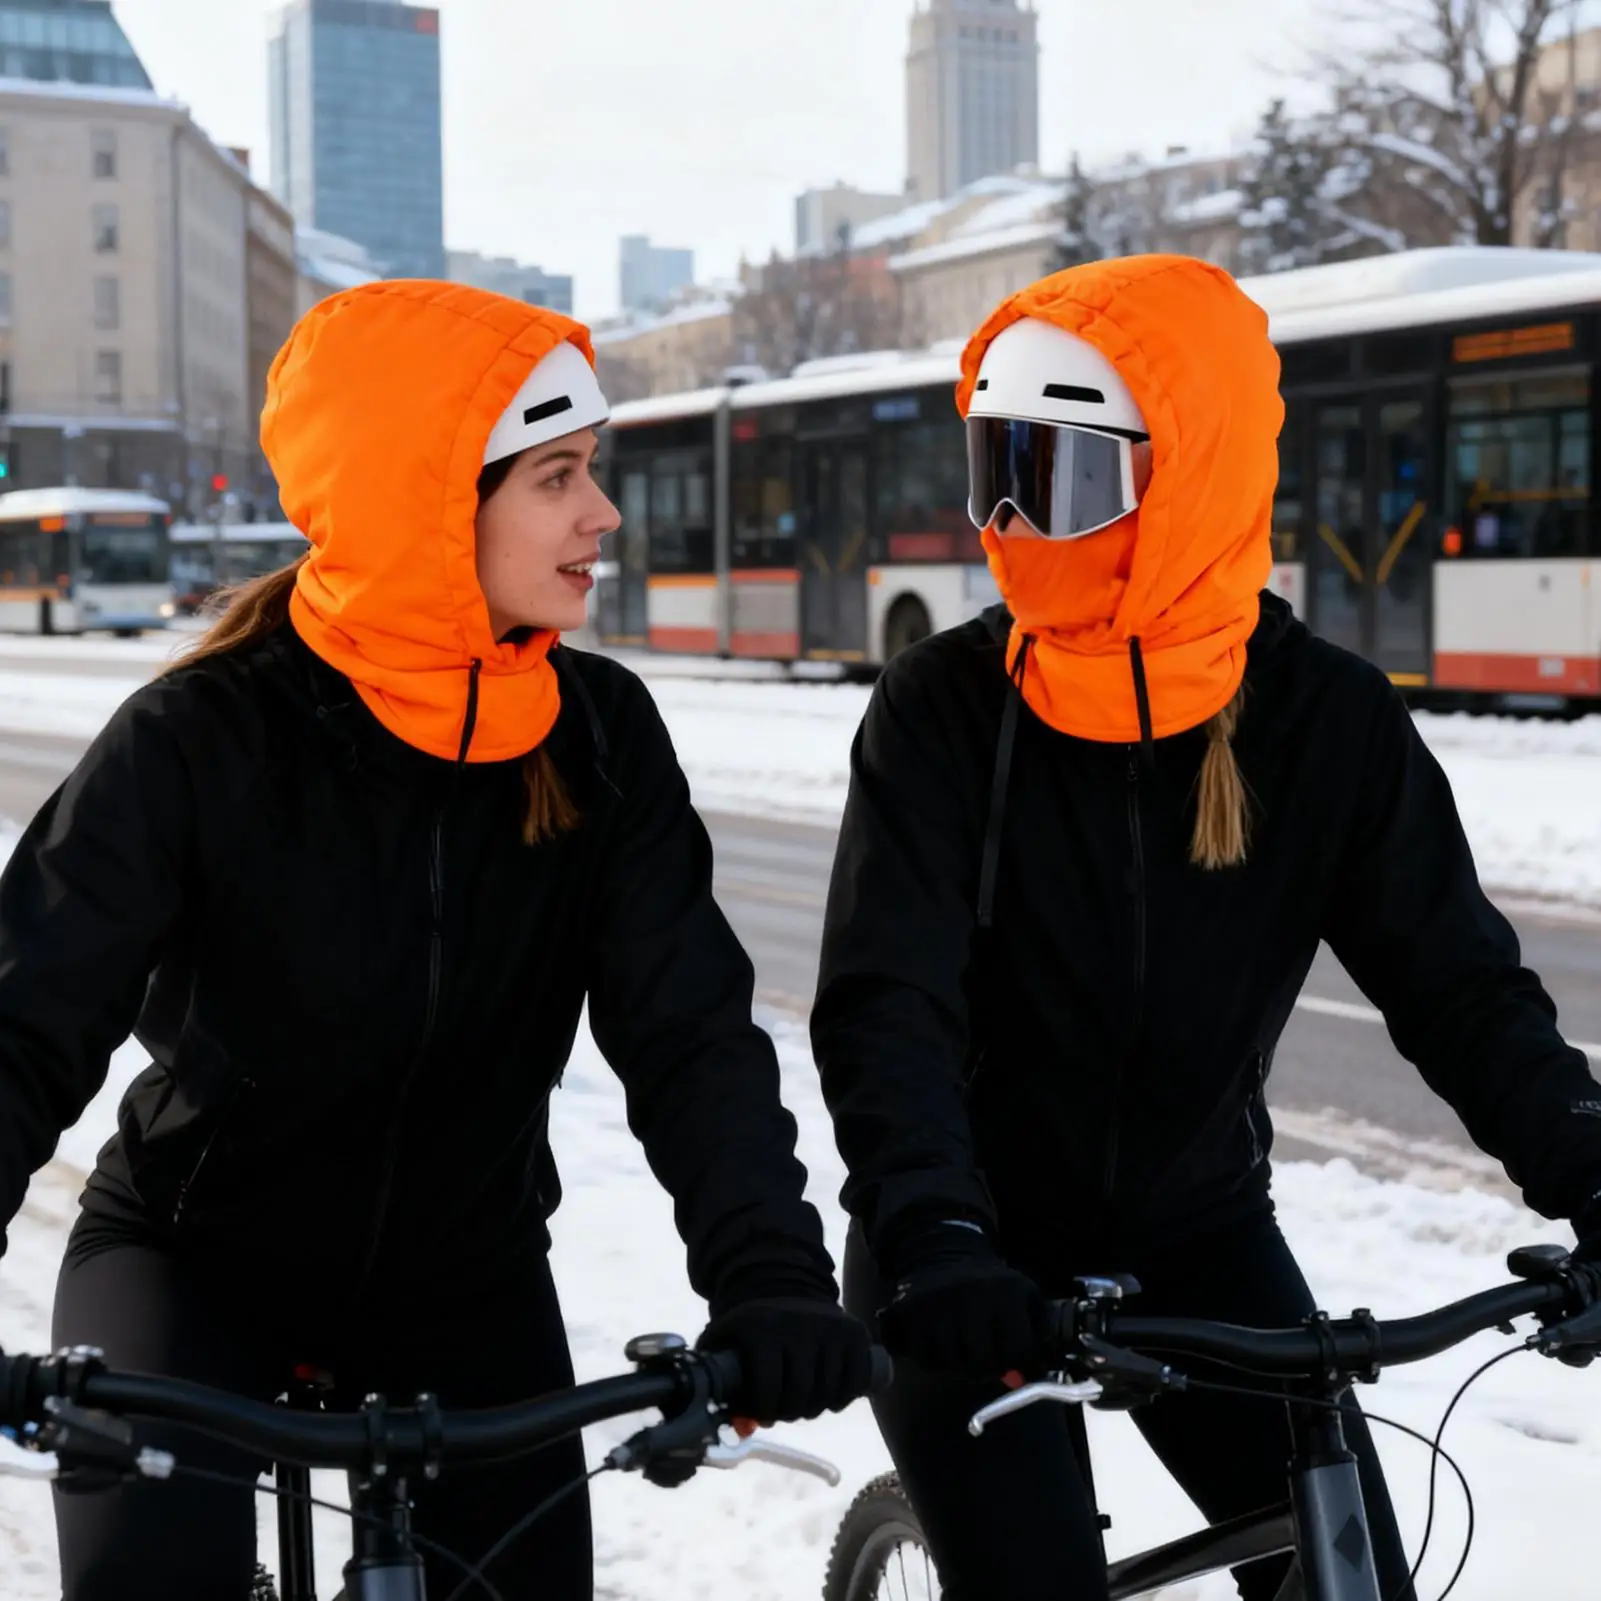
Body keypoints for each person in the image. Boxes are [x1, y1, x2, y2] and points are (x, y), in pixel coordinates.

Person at [0, 280, 874, 1601]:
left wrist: (772, 1281)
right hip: (193, 1266)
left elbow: (688, 1030)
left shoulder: (601, 734)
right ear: (430, 500)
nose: (604, 514)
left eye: (597, 472)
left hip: (463, 1283)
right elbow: (26, 1015)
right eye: (558, 477)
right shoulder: (202, 736)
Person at [812, 254, 1601, 1600]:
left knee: (1344, 1576)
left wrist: (1582, 1160)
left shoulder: (1324, 722)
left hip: (1199, 1237)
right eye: (989, 466)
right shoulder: (941, 710)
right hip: (964, 1257)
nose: (1011, 517)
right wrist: (937, 1235)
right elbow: (889, 1009)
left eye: (1052, 476)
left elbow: (1459, 986)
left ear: (1183, 478)